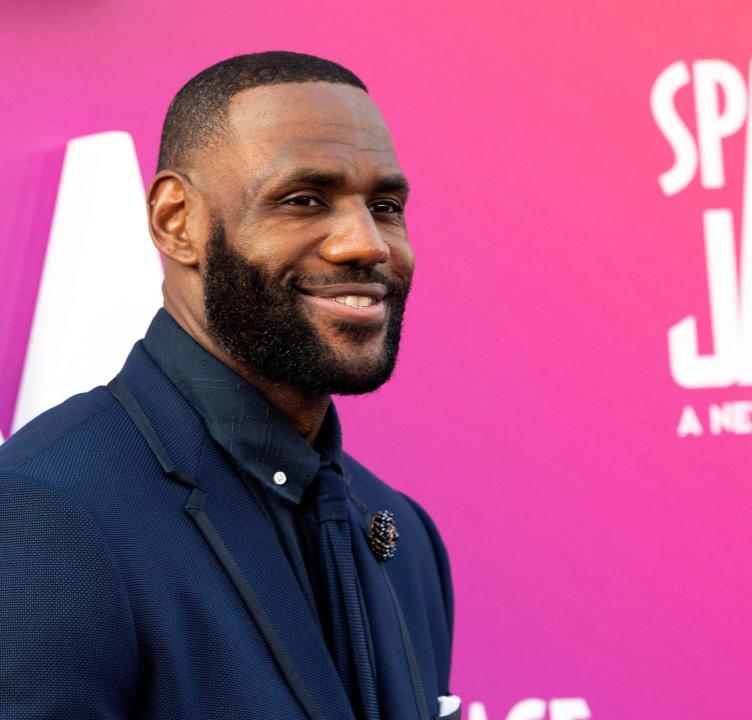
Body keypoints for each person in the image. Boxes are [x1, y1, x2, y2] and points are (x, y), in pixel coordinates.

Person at [0, 51, 456, 720]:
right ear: (176, 221)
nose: (366, 243)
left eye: (385, 206)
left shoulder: (405, 536)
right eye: (304, 200)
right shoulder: (44, 514)